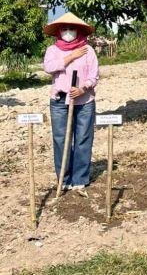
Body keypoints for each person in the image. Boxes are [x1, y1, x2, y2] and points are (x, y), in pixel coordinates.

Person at [42, 12, 100, 196]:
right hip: (59, 101)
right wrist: (70, 56)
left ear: (79, 31)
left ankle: (80, 179)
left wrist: (83, 88)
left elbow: (94, 75)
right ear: (59, 32)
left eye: (71, 29)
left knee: (83, 138)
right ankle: (64, 178)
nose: (68, 32)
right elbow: (49, 68)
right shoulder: (53, 50)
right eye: (64, 29)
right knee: (61, 139)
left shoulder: (88, 50)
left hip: (84, 101)